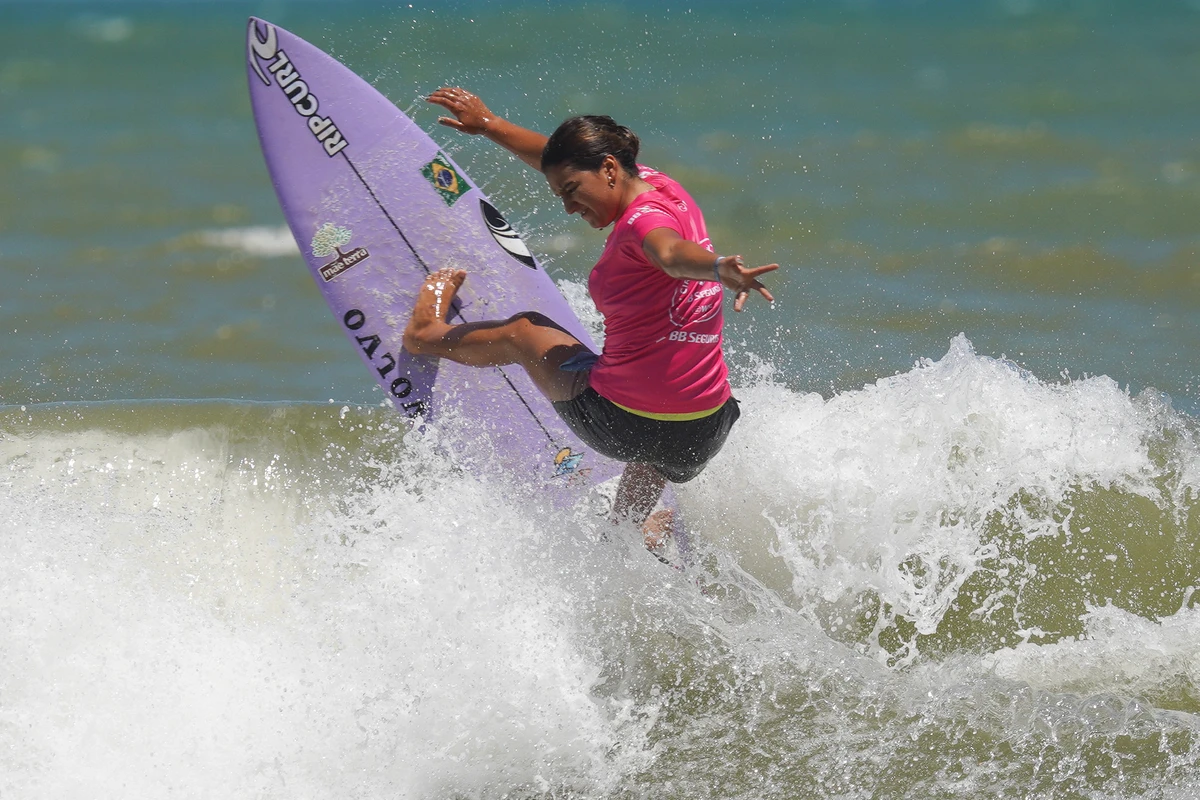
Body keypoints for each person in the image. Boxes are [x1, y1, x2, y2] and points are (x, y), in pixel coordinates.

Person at [405, 88, 778, 548]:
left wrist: (719, 269)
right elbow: (559, 158)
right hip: (703, 432)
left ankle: (425, 335)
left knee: (525, 331)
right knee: (654, 434)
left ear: (608, 170)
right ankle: (625, 530)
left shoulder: (643, 224)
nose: (567, 206)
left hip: (621, 422)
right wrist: (489, 125)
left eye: (571, 192)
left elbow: (669, 253)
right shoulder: (662, 187)